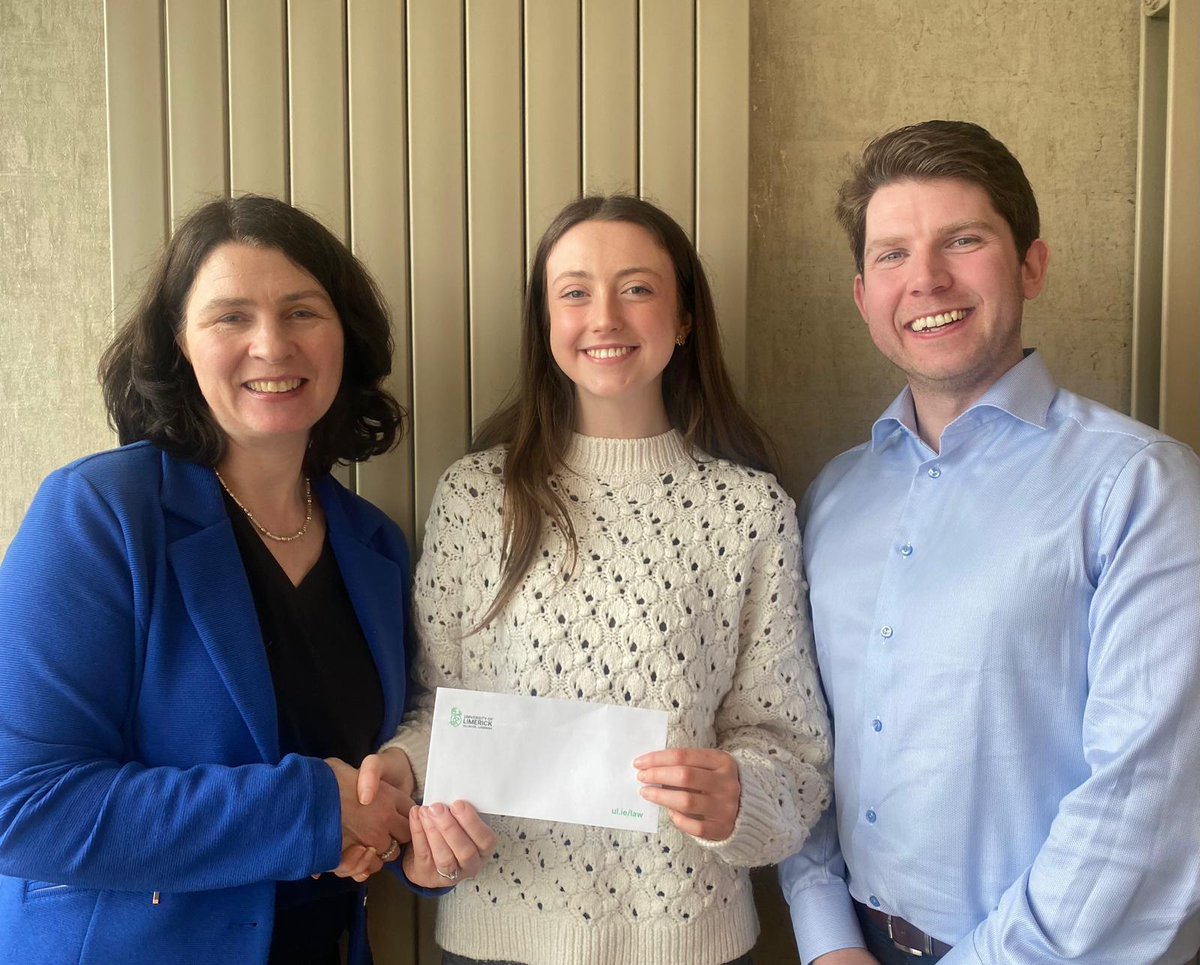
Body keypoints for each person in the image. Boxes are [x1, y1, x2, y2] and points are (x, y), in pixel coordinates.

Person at [0, 195, 493, 965]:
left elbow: (375, 792)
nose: (272, 344)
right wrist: (302, 811)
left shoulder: (376, 546)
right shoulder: (102, 514)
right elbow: (23, 806)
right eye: (231, 317)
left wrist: (417, 852)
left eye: (302, 311)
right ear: (180, 346)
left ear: (345, 339)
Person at [354, 194, 832, 964]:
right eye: (574, 292)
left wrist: (742, 797)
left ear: (683, 319)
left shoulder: (750, 511)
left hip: (690, 942)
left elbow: (792, 755)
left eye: (637, 288)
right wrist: (407, 774)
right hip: (494, 937)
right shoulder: (476, 497)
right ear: (547, 325)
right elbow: (435, 709)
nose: (604, 317)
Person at [778, 120, 1200, 964]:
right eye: (892, 254)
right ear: (864, 295)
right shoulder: (831, 498)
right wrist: (825, 936)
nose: (925, 277)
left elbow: (1145, 797)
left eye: (962, 240)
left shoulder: (1143, 490)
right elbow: (806, 740)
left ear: (1030, 264)